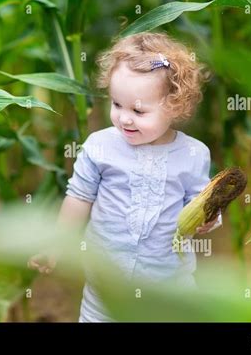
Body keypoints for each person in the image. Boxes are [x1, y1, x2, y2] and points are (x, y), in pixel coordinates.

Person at [28, 32, 222, 322]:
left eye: (138, 110)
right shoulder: (99, 146)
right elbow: (79, 197)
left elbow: (201, 202)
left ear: (175, 106)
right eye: (117, 105)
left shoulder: (193, 154)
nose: (124, 118)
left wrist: (210, 217)